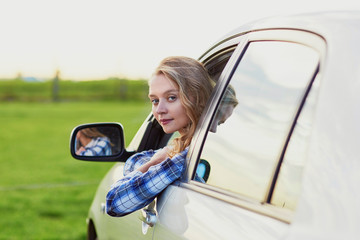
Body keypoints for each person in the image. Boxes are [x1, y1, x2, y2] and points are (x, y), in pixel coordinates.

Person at [106, 56, 214, 217]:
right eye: (155, 100)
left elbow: (114, 203)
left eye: (171, 97)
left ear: (197, 98)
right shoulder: (187, 147)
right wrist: (154, 161)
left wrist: (154, 162)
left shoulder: (182, 159)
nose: (159, 110)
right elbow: (134, 161)